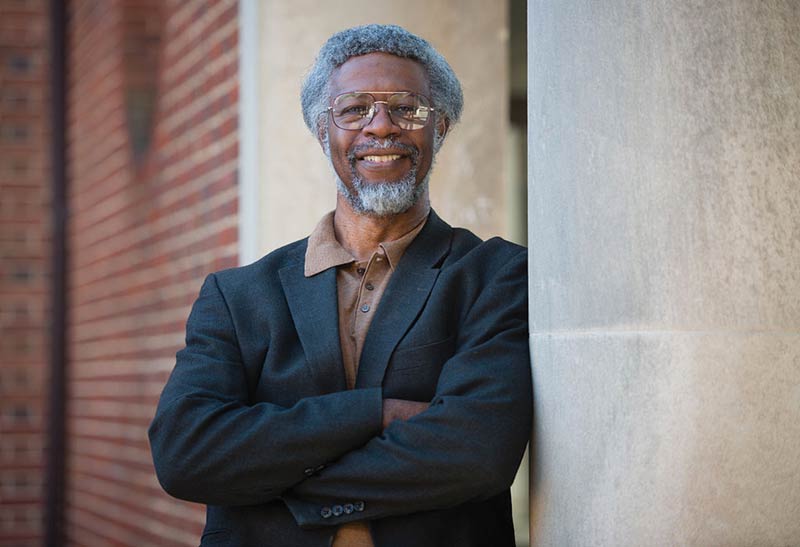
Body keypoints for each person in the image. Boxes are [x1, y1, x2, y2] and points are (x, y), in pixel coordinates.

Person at [148, 24, 531, 547]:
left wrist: (269, 477)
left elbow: (477, 453)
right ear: (322, 131)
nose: (382, 126)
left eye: (407, 107)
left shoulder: (496, 276)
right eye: (354, 109)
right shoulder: (237, 297)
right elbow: (185, 453)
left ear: (439, 127)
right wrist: (379, 413)